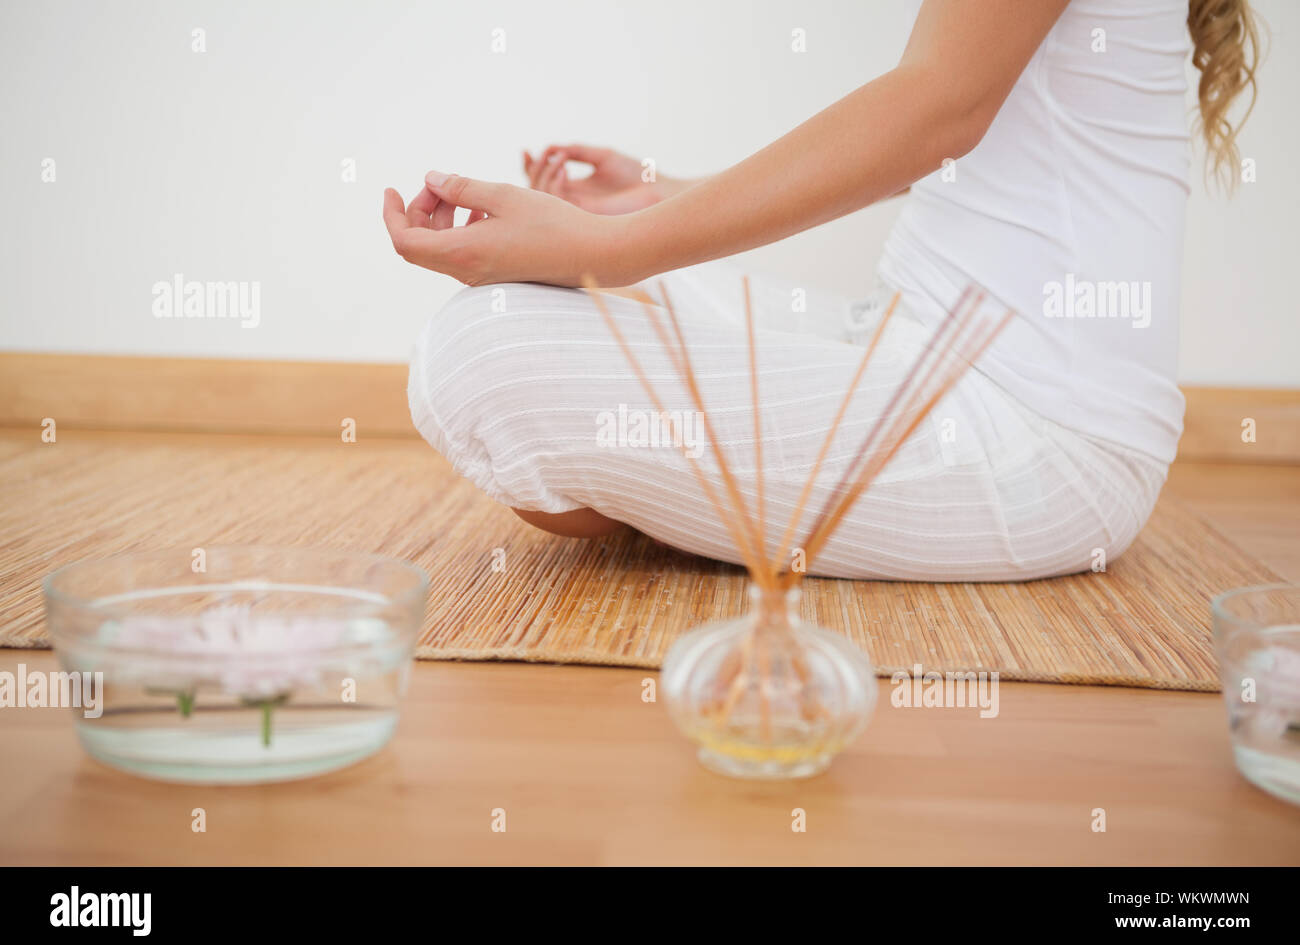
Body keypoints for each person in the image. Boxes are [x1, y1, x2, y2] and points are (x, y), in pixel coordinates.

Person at [384, 0, 1259, 580]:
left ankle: (695, 494)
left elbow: (936, 113)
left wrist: (612, 249)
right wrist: (663, 196)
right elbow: (951, 140)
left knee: (486, 354)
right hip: (900, 336)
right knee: (554, 327)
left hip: (1037, 432)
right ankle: (705, 492)